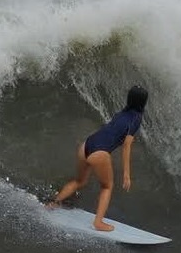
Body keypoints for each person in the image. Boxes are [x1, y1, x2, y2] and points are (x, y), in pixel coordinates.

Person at [48, 85, 148, 231]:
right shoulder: (137, 118)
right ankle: (98, 222)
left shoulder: (121, 113)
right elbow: (127, 145)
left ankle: (53, 203)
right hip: (99, 153)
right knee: (107, 187)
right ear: (143, 102)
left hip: (87, 145)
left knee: (79, 181)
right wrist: (126, 174)